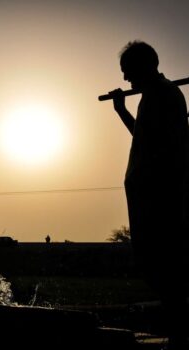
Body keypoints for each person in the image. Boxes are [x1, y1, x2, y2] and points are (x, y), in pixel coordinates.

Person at [110, 41, 189, 349]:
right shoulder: (152, 97)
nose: (127, 80)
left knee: (166, 267)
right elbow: (143, 138)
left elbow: (167, 150)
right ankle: (178, 333)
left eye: (129, 72)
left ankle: (180, 336)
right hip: (149, 196)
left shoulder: (165, 95)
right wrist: (122, 111)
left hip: (162, 198)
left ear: (145, 66)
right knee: (157, 266)